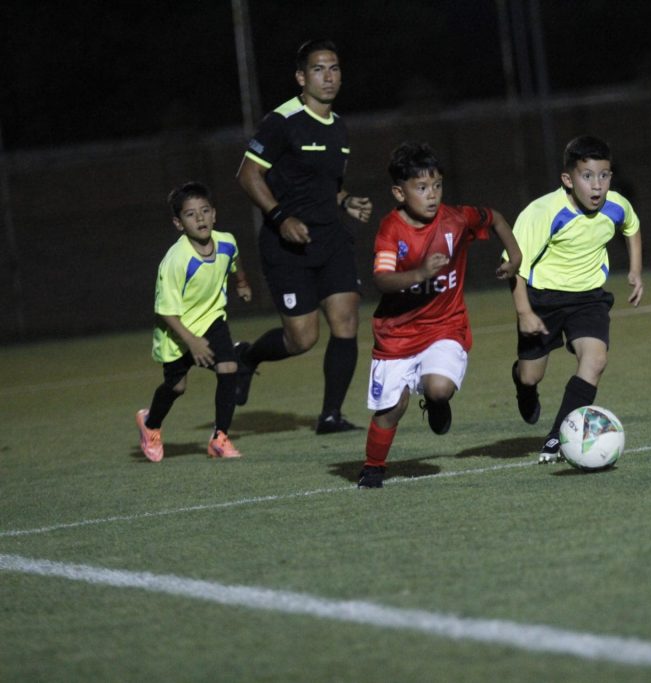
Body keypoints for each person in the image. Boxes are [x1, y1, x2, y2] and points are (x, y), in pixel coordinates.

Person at [356, 142, 522, 488]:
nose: (432, 195)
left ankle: (436, 401)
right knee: (391, 409)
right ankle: (373, 466)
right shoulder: (391, 230)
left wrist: (515, 255)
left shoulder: (455, 219)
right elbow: (382, 279)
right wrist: (419, 274)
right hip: (396, 335)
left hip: (445, 326)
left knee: (440, 387)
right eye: (421, 188)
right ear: (399, 193)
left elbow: (495, 218)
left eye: (437, 185)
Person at [234, 39, 373, 434]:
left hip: (331, 240)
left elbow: (323, 185)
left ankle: (331, 415)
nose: (328, 77)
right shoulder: (281, 121)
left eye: (334, 69)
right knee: (302, 339)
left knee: (346, 320)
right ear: (301, 77)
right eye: (318, 69)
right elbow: (247, 175)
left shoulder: (340, 126)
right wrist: (280, 217)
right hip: (286, 245)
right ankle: (248, 357)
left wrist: (345, 202)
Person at [508, 135, 643, 463]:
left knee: (595, 360)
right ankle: (523, 387)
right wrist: (524, 311)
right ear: (568, 179)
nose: (597, 186)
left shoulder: (615, 205)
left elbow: (632, 227)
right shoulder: (542, 212)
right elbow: (515, 268)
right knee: (531, 374)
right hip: (542, 301)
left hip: (589, 299)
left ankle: (557, 437)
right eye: (587, 176)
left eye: (604, 175)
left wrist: (636, 271)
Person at [136, 181, 253, 462]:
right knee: (177, 387)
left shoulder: (226, 241)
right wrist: (191, 341)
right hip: (176, 331)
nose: (199, 218)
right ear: (178, 223)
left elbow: (234, 262)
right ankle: (150, 424)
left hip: (212, 319)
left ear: (214, 214)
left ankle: (219, 438)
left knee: (229, 368)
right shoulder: (176, 261)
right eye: (190, 214)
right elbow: (165, 310)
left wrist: (242, 283)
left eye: (205, 210)